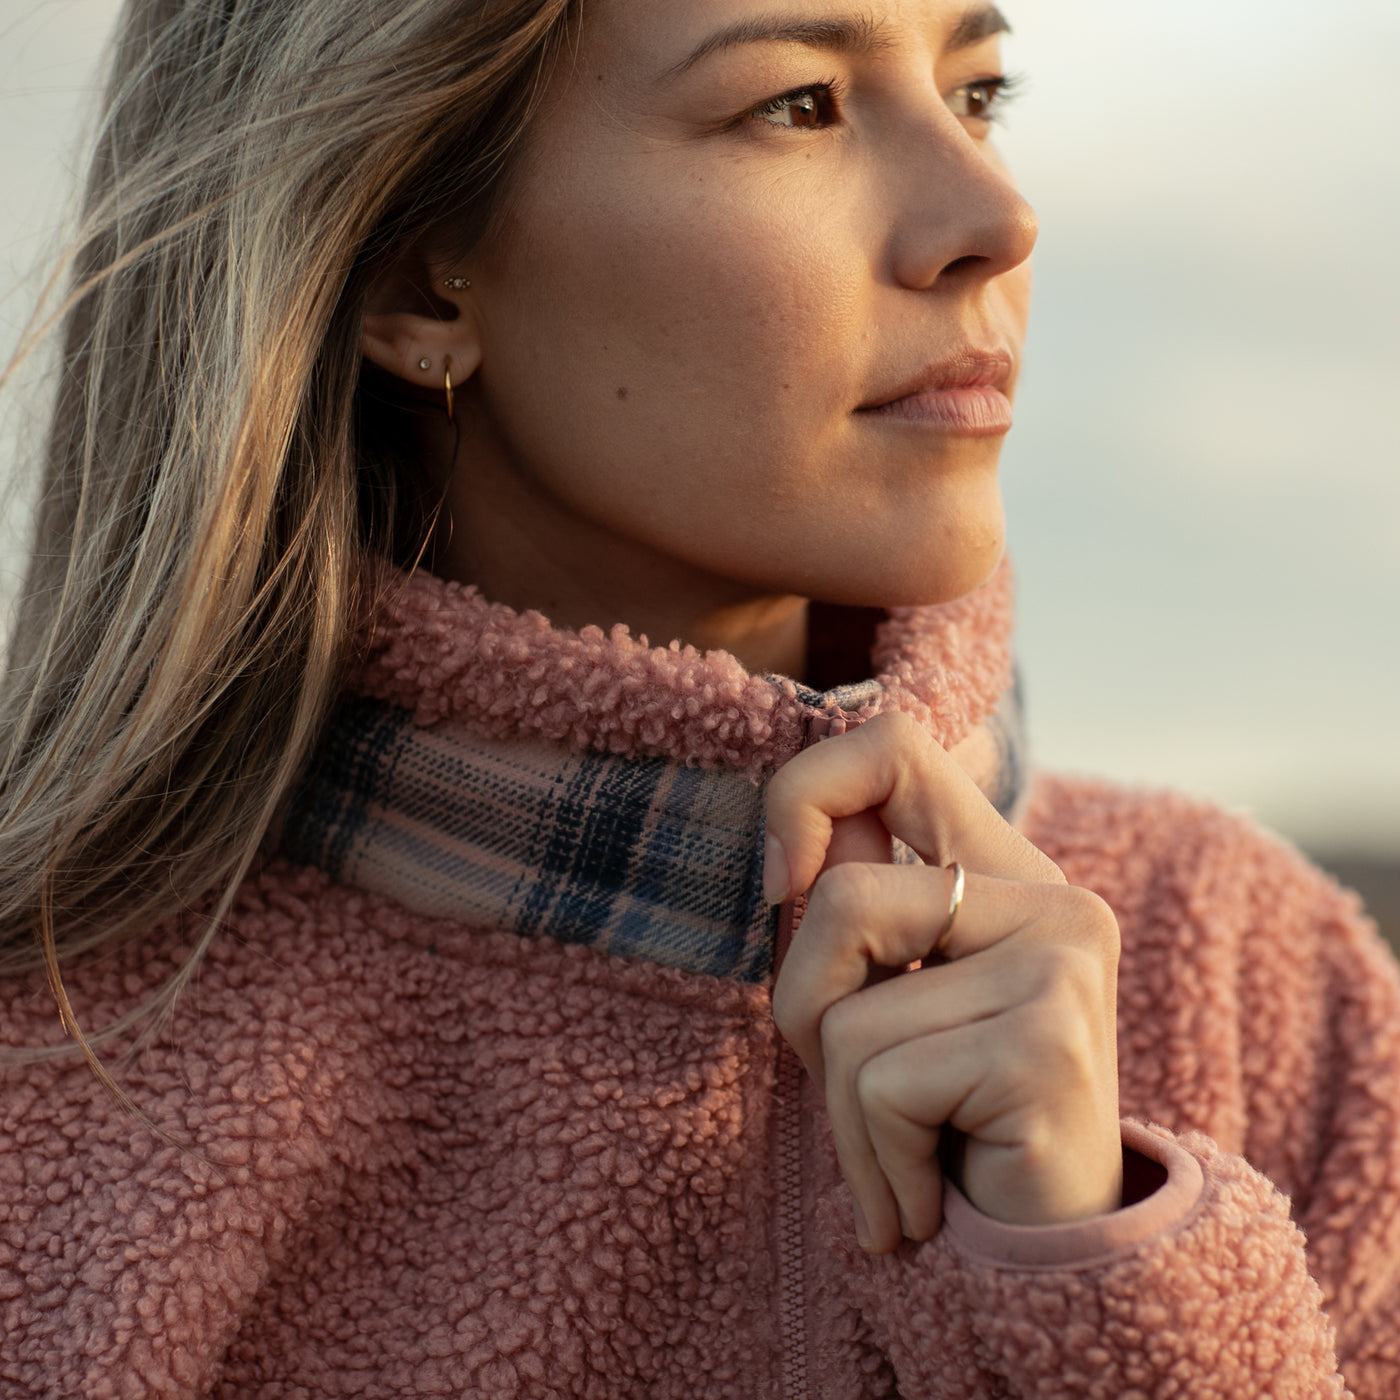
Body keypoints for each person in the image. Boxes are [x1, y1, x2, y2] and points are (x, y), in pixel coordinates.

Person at [1, 0, 1397, 1393]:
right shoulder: (59, 1081)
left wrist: (1102, 1283)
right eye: (798, 104)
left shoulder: (1257, 983)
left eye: (978, 92)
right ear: (417, 282)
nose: (996, 214)